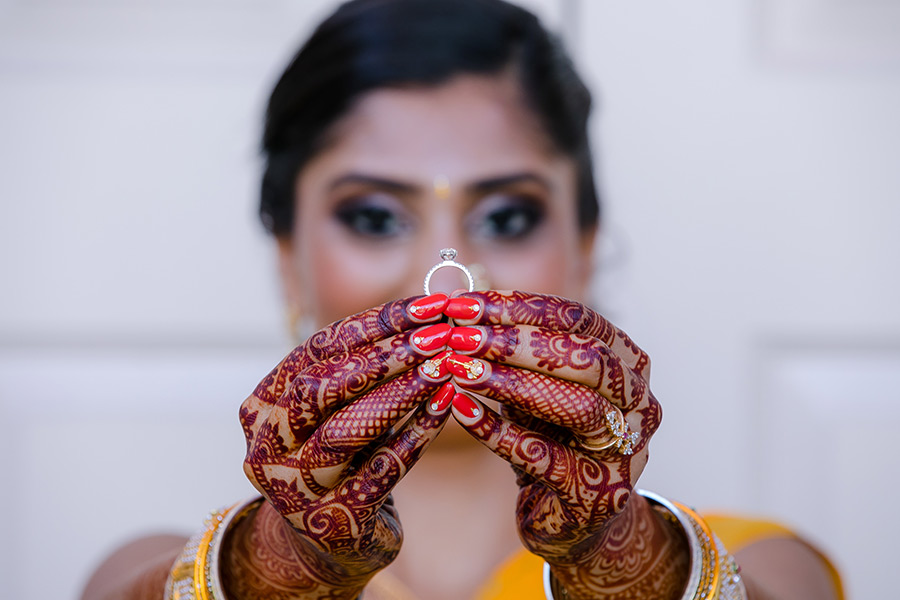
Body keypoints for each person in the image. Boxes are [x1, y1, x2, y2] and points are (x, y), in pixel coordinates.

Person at [80, 1, 844, 599]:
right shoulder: (161, 569)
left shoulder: (754, 559)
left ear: (584, 248)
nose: (447, 275)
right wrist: (277, 569)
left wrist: (625, 560)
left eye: (507, 216)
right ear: (288, 258)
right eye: (374, 216)